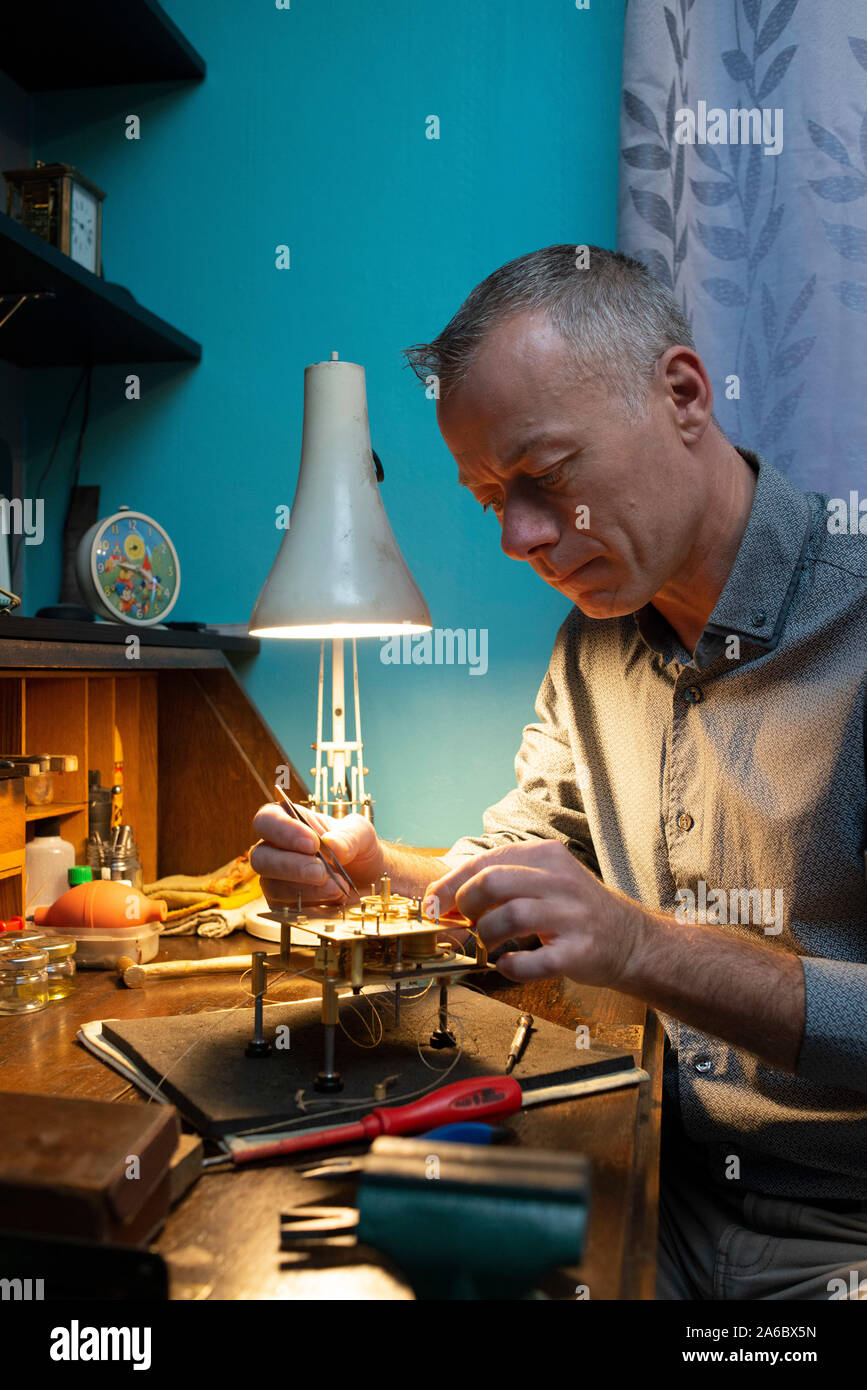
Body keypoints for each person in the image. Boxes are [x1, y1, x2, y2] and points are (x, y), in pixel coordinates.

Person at [250, 245, 867, 1301]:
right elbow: (525, 858)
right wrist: (379, 874)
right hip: (662, 1186)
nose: (517, 537)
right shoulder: (593, 643)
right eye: (492, 496)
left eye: (546, 476)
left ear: (681, 393)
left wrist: (639, 944)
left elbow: (616, 934)